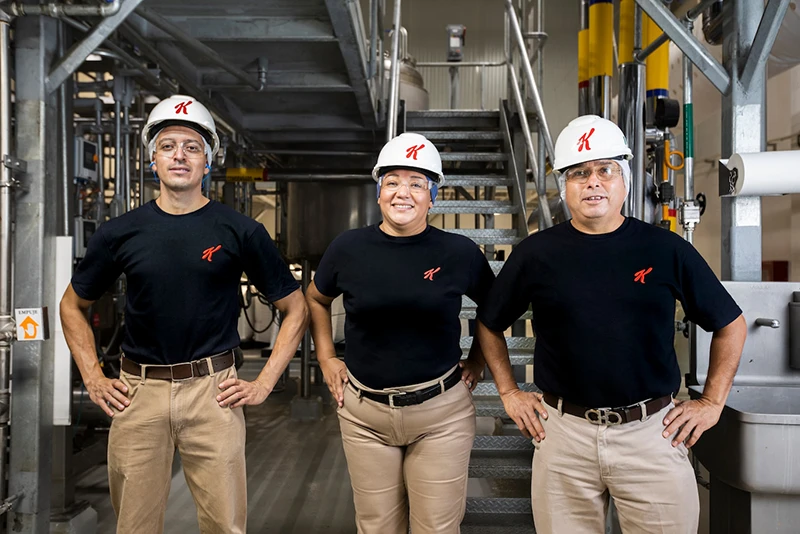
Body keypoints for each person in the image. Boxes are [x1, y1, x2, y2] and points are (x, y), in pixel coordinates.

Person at [477, 115, 747, 533]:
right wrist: (510, 393)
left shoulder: (665, 248)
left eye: (606, 170)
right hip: (563, 436)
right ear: (564, 185)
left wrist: (711, 403)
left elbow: (730, 323)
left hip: (652, 437)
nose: (593, 182)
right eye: (579, 173)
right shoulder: (536, 254)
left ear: (624, 180)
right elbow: (489, 323)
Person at [59, 94, 309, 534]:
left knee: (225, 527)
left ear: (207, 162)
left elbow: (296, 307)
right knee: (135, 527)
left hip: (214, 392)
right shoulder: (120, 233)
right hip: (139, 393)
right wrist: (94, 377)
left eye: (192, 146)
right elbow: (71, 305)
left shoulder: (241, 231)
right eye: (168, 145)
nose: (179, 155)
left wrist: (265, 382)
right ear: (152, 160)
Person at [306, 132, 501, 534]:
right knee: (376, 526)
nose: (403, 193)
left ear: (433, 196)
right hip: (365, 414)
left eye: (417, 183)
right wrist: (326, 356)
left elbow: (494, 310)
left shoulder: (459, 253)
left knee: (436, 528)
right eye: (392, 181)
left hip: (440, 415)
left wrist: (479, 361)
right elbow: (315, 299)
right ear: (379, 192)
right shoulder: (348, 248)